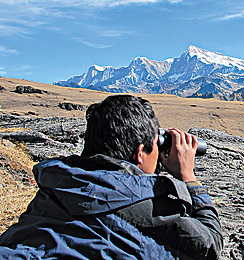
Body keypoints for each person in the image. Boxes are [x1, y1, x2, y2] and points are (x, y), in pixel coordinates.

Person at [0, 95, 223, 259]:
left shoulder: (54, 186)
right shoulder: (146, 204)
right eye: (155, 146)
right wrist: (188, 177)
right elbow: (210, 245)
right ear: (138, 153)